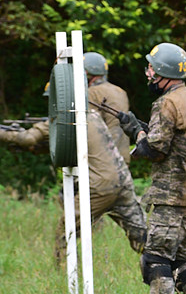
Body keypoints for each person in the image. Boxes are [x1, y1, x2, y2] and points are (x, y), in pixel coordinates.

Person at [0, 84, 146, 261]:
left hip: (99, 186)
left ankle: (64, 276)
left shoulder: (66, 117)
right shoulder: (93, 116)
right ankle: (169, 270)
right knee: (143, 237)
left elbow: (27, 138)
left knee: (65, 232)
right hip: (122, 180)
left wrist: (6, 135)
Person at [120, 42, 186, 294]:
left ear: (162, 72)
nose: (148, 73)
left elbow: (155, 149)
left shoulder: (166, 103)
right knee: (181, 259)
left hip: (173, 196)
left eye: (151, 68)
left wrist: (135, 131)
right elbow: (181, 141)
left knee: (156, 259)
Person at [84, 51, 131, 163]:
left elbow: (89, 127)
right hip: (122, 156)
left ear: (87, 72)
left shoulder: (91, 93)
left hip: (103, 160)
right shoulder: (119, 91)